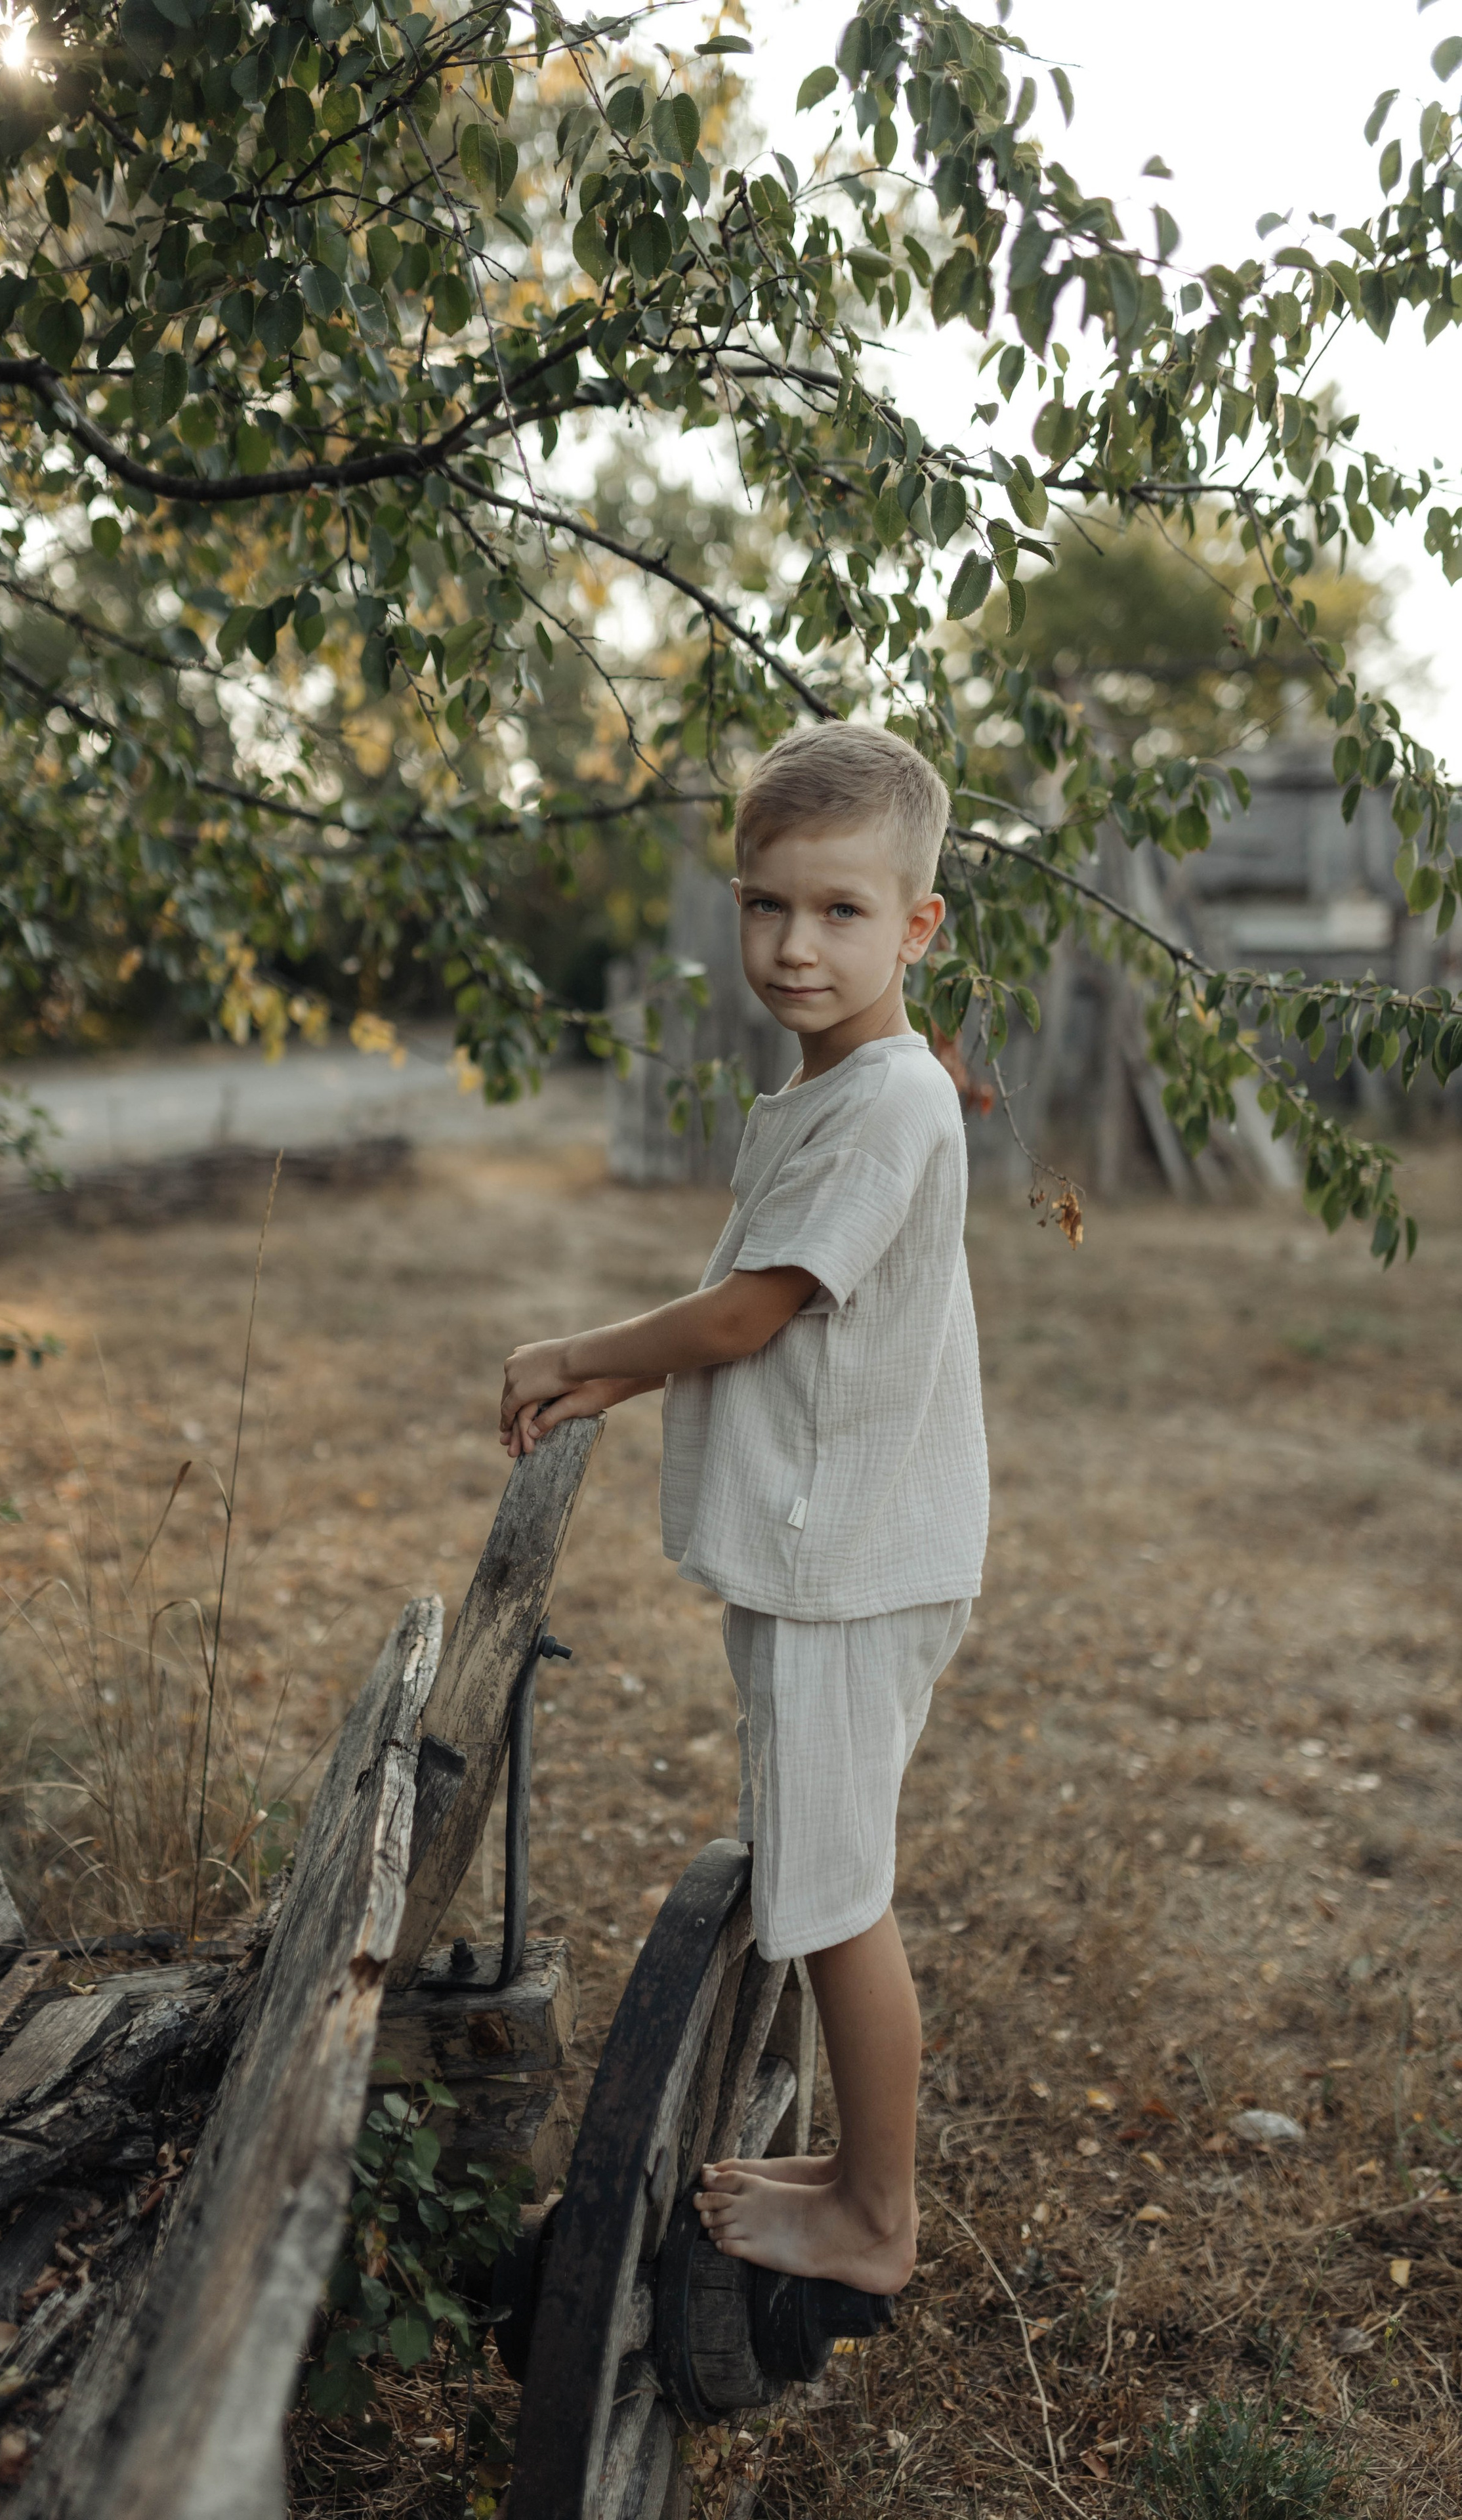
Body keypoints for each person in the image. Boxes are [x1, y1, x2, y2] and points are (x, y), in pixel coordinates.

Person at [497, 721, 988, 2296]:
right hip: (832, 1548)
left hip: (843, 1567)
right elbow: (745, 1303)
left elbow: (740, 1317)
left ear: (916, 925)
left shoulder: (888, 1107)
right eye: (765, 906)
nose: (793, 944)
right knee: (816, 1865)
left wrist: (580, 1354)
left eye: (841, 911)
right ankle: (851, 2172)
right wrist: (609, 1381)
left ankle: (876, 2219)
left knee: (836, 1900)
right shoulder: (836, 1087)